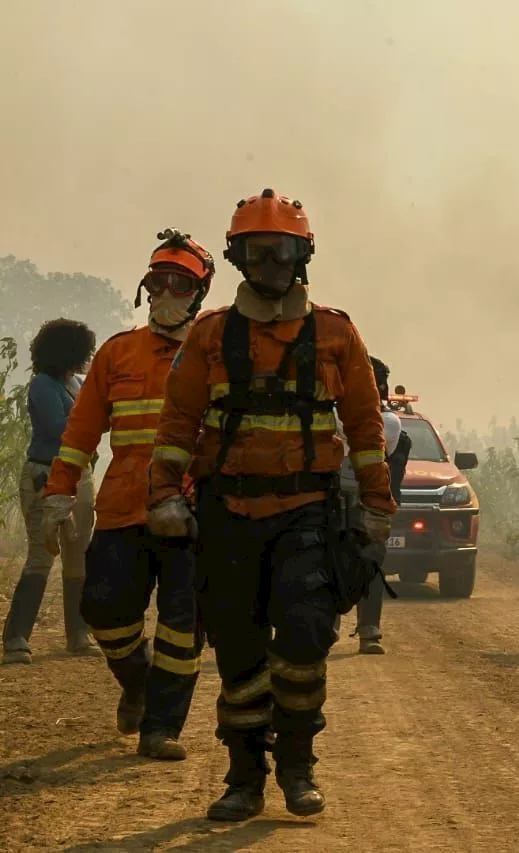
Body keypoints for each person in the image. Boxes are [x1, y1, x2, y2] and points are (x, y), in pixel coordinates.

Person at [146, 188, 394, 821]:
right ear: (238, 258)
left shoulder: (336, 333)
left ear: (302, 254)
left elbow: (366, 428)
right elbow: (177, 424)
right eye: (257, 252)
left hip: (307, 511)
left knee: (308, 634)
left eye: (282, 251)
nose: (271, 265)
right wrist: (164, 499)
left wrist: (375, 509)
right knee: (237, 648)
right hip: (228, 513)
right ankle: (244, 776)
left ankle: (298, 765)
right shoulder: (210, 336)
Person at [41, 229, 215, 759]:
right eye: (156, 283)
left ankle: (162, 727)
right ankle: (138, 684)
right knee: (103, 608)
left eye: (179, 284)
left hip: (194, 515)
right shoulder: (117, 354)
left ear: (199, 293)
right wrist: (58, 495)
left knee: (183, 625)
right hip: (122, 509)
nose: (166, 293)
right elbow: (80, 435)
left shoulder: (217, 353)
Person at [1, 319, 98, 665]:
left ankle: (78, 635)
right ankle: (16, 638)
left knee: (78, 554)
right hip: (46, 475)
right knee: (42, 555)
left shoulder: (72, 383)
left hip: (78, 474)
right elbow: (62, 429)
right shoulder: (42, 385)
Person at [336, 356, 409, 654]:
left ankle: (369, 630)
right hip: (336, 499)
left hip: (367, 503)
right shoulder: (336, 413)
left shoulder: (388, 421)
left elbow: (357, 437)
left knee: (369, 563)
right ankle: (331, 626)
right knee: (327, 561)